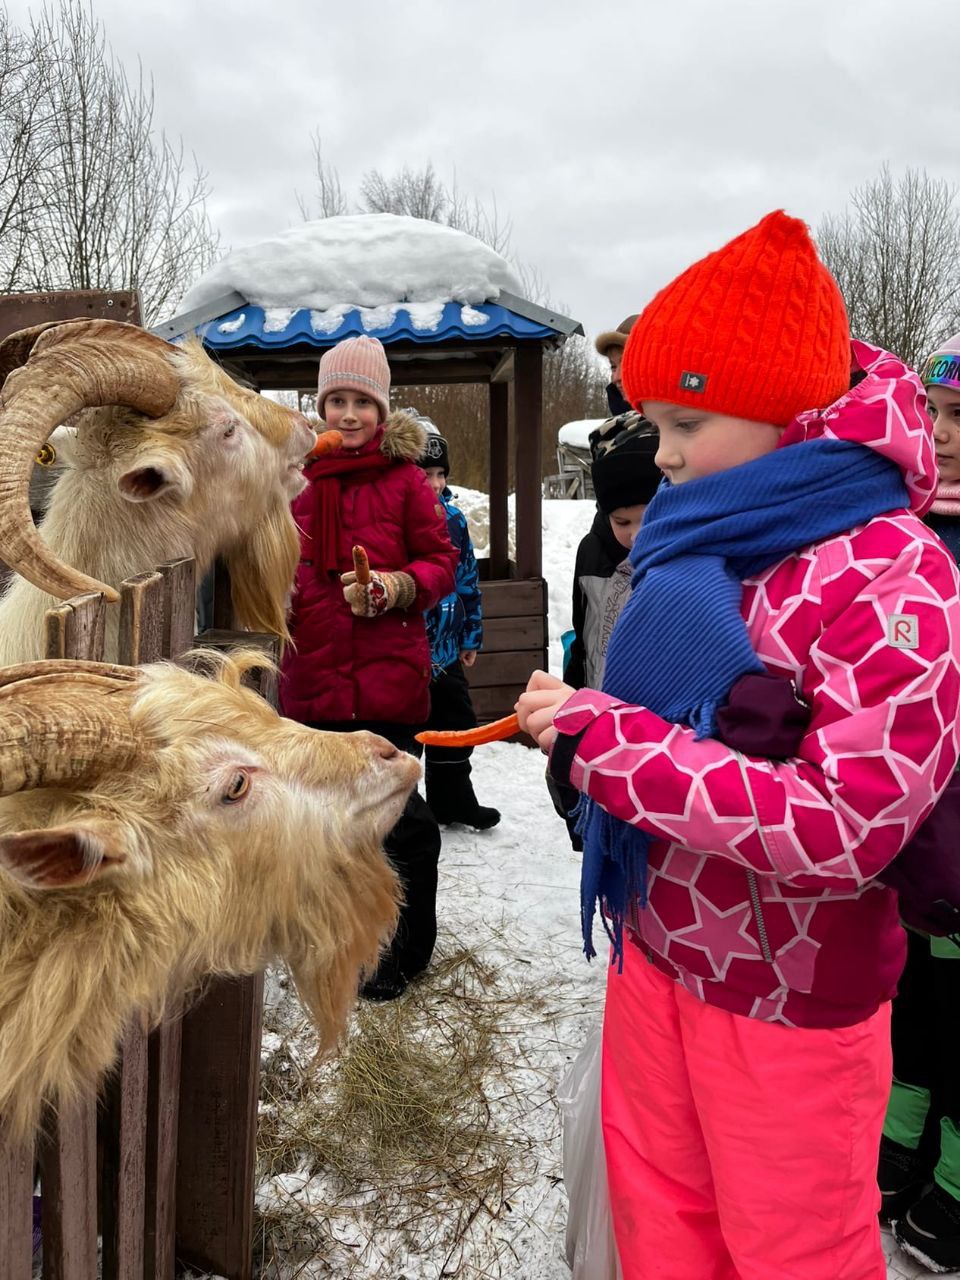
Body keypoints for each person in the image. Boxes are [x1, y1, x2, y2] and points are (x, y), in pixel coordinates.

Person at [516, 210, 960, 1279]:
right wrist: (584, 726)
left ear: (778, 408)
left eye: (680, 422)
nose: (658, 455)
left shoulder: (897, 575)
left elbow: (844, 824)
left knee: (792, 1251)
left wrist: (611, 747)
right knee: (662, 1223)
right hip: (660, 952)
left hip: (791, 999)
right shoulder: (703, 525)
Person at [281, 335, 457, 1002]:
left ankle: (407, 951)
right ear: (320, 405)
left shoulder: (407, 482)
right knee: (324, 825)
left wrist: (394, 587)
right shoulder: (296, 484)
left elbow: (441, 564)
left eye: (361, 401)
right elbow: (269, 563)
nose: (348, 414)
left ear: (382, 411)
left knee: (397, 826)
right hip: (313, 686)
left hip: (385, 684)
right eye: (336, 401)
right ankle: (338, 941)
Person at [879, 332, 960, 1272]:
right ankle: (902, 1143)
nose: (942, 435)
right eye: (933, 415)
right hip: (924, 819)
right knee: (914, 995)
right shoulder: (910, 527)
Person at [415, 419, 500, 830]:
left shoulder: (454, 520)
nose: (433, 483)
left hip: (447, 649)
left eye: (439, 474)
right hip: (408, 651)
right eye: (423, 474)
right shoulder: (395, 521)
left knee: (455, 724)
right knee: (408, 731)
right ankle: (405, 810)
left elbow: (468, 581)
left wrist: (471, 636)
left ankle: (453, 801)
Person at [564, 414, 661, 692]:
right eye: (622, 522)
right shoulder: (591, 552)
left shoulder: (679, 558)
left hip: (652, 720)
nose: (637, 536)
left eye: (649, 518)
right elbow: (582, 640)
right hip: (597, 703)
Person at [594, 315, 639, 415]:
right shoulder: (614, 428)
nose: (616, 378)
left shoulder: (678, 426)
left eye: (627, 364)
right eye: (613, 367)